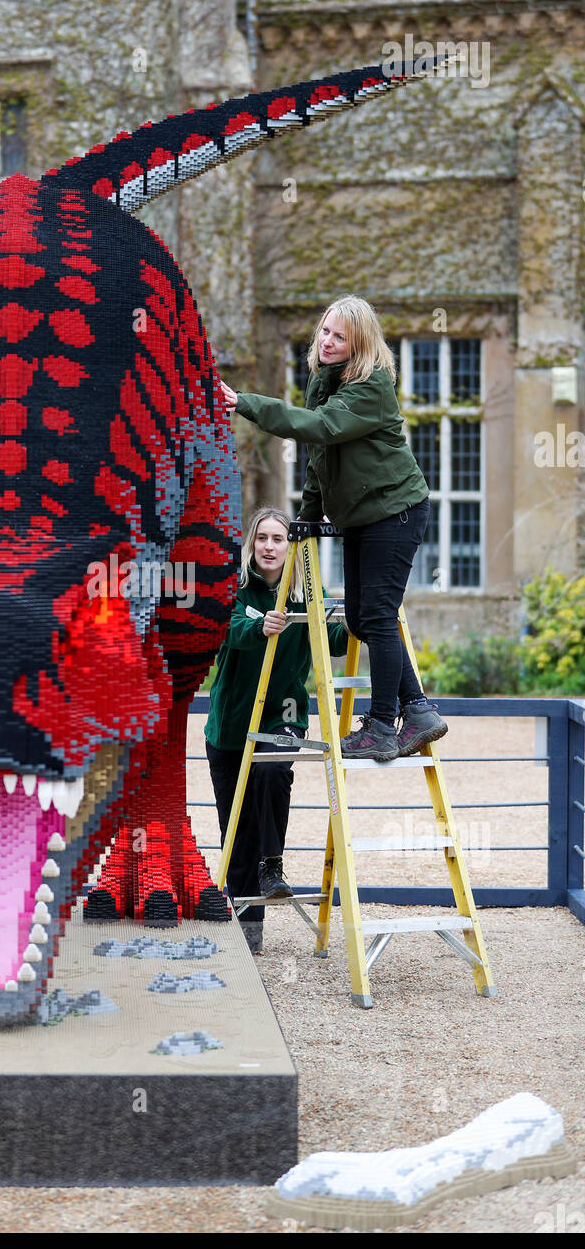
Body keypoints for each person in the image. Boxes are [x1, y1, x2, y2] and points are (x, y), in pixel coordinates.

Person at [221, 294, 447, 764]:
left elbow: (318, 428)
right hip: (362, 518)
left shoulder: (370, 387)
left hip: (394, 512)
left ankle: (385, 725)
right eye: (324, 330)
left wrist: (245, 403)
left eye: (339, 336)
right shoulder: (325, 380)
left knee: (377, 617)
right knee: (363, 617)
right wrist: (307, 514)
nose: (326, 341)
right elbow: (319, 458)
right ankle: (420, 711)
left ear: (358, 344)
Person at [205, 507, 348, 953]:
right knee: (236, 828)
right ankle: (250, 932)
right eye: (263, 538)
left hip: (282, 715)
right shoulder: (235, 586)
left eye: (279, 538)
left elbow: (335, 642)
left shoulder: (308, 591)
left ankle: (273, 865)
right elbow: (229, 630)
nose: (270, 546)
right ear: (252, 543)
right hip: (231, 723)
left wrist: (357, 619)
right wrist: (257, 626)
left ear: (291, 546)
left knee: (270, 773)